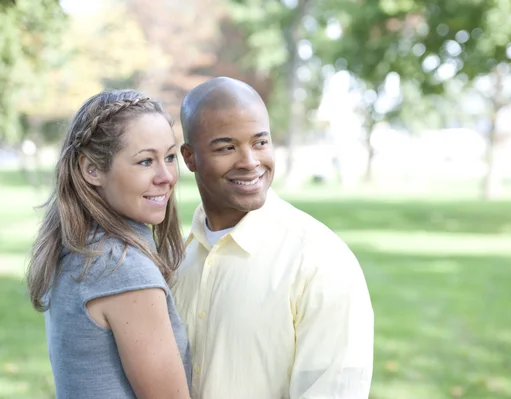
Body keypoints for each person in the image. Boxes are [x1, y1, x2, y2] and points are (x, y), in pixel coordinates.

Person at [172, 76, 374, 398]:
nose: (250, 162)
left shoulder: (320, 262)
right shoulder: (176, 261)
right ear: (189, 157)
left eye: (260, 142)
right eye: (227, 147)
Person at [26, 89, 192, 398]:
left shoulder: (79, 247)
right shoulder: (121, 267)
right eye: (145, 161)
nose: (166, 176)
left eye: (169, 157)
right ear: (92, 169)